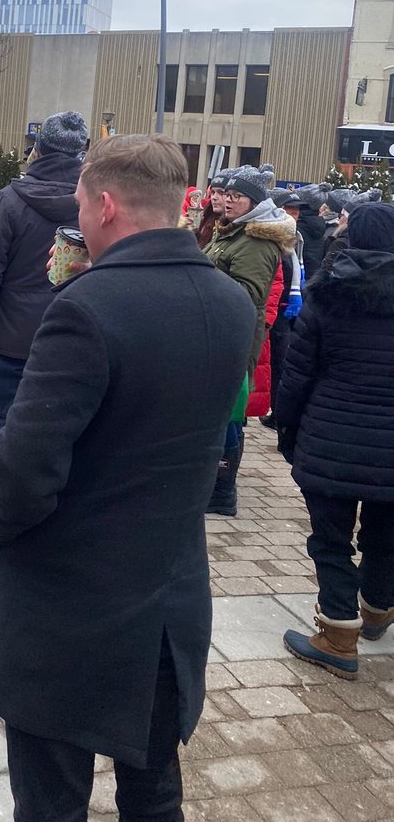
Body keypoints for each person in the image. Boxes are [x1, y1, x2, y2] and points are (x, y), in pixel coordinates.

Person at [0, 134, 255, 822]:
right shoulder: (230, 303)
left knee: (51, 804)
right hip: (170, 602)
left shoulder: (85, 310)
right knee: (154, 796)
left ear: (104, 204)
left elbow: (22, 477)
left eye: (79, 203)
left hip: (71, 613)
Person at [277, 203, 394, 680]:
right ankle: (379, 608)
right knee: (386, 536)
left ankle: (338, 634)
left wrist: (287, 429)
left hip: (331, 439)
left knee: (330, 540)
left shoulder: (329, 293)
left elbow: (297, 375)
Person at [0, 110, 89, 427]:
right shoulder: (93, 204)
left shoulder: (9, 201)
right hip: (76, 338)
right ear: (80, 153)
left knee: (13, 434)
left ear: (39, 148)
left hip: (16, 340)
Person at [203, 164, 295, 515]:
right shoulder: (233, 231)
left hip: (233, 336)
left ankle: (222, 492)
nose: (226, 200)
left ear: (254, 201)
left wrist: (202, 282)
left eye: (235, 195)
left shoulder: (257, 239)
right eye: (225, 193)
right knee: (225, 410)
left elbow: (247, 295)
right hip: (221, 331)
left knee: (230, 413)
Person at [259, 189, 305, 429]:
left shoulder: (296, 237)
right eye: (290, 209)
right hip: (276, 309)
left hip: (286, 308)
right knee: (272, 362)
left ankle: (278, 414)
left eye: (297, 211)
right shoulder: (274, 239)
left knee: (280, 362)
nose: (294, 214)